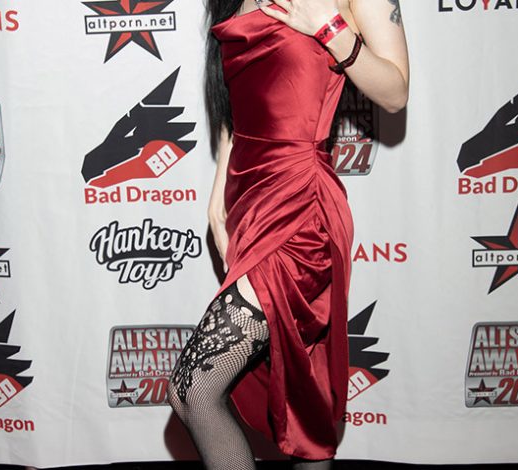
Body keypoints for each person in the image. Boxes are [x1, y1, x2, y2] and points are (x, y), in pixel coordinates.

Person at [167, 1, 409, 469]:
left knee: (193, 388)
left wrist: (328, 27)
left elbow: (396, 92)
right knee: (303, 384)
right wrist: (218, 193)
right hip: (248, 198)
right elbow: (239, 97)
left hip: (299, 207)